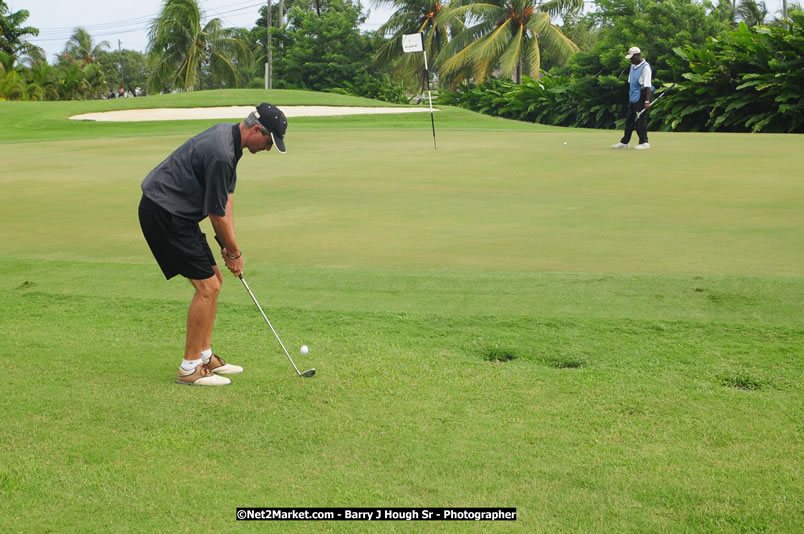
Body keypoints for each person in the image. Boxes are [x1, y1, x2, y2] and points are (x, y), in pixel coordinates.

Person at [138, 103, 288, 386]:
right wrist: (234, 252)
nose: (268, 148)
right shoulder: (222, 153)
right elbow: (215, 213)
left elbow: (226, 199)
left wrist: (229, 245)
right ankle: (189, 367)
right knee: (208, 286)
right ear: (257, 130)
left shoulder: (230, 140)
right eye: (269, 141)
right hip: (163, 211)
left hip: (177, 212)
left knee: (215, 278)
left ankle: (204, 355)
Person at [612, 47, 653, 150]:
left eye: (632, 57)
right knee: (630, 118)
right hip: (634, 95)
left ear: (638, 56)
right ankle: (625, 142)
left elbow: (648, 85)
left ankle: (644, 142)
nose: (630, 60)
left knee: (641, 119)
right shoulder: (633, 65)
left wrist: (647, 101)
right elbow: (631, 82)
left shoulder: (646, 67)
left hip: (644, 95)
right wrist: (631, 97)